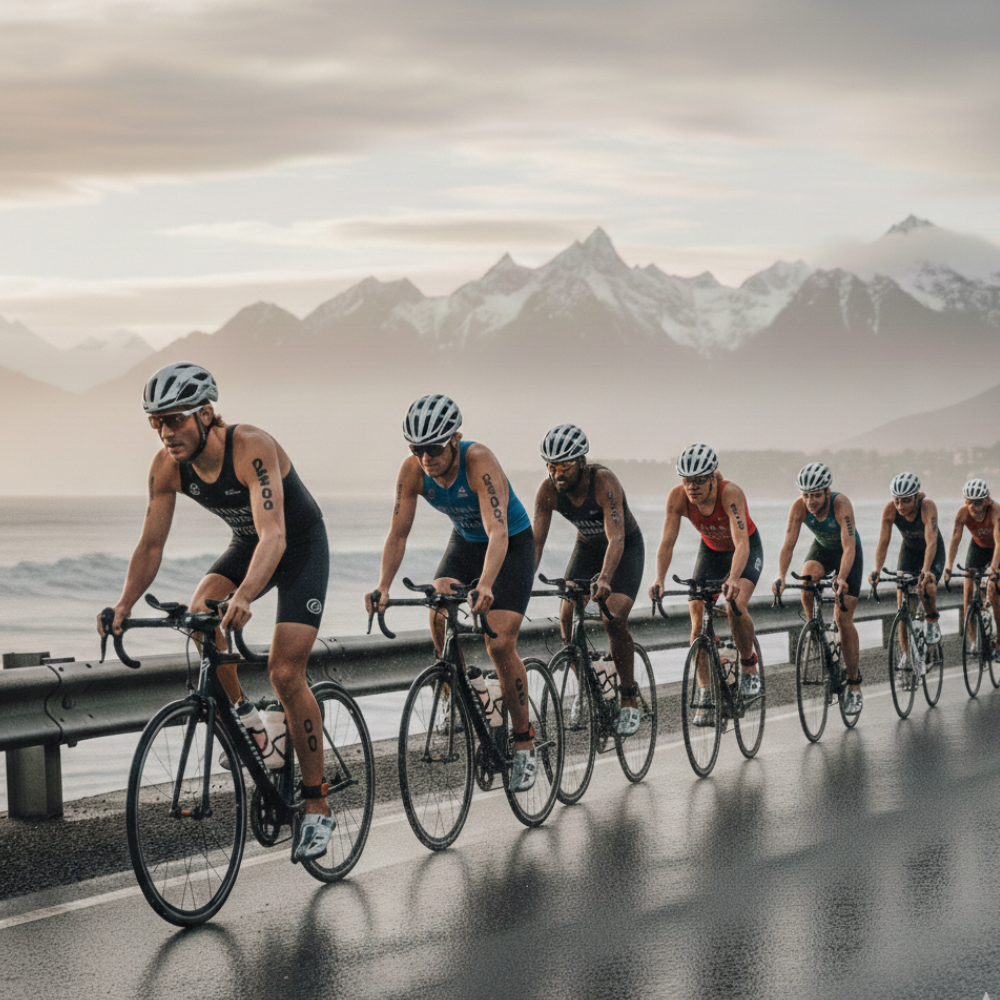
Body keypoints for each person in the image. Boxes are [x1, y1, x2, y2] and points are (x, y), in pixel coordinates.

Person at [98, 363, 333, 861]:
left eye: (177, 419)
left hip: (299, 548)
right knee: (200, 612)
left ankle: (316, 805)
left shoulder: (251, 447)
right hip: (249, 545)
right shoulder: (166, 467)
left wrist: (246, 594)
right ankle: (249, 720)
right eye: (156, 421)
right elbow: (150, 545)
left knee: (286, 672)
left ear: (206, 414)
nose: (166, 432)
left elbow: (276, 535)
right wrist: (124, 603)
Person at [365, 394, 538, 791]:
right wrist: (383, 585)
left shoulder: (479, 462)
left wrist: (487, 584)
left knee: (499, 644)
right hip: (464, 540)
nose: (425, 457)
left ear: (455, 439)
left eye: (434, 448)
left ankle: (524, 743)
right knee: (438, 602)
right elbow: (398, 533)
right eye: (416, 448)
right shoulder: (412, 471)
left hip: (509, 542)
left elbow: (497, 531)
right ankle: (457, 689)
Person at [531, 424, 645, 736]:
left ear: (582, 461)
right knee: (566, 618)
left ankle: (629, 697)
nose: (557, 473)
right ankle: (588, 689)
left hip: (624, 548)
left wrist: (606, 578)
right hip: (586, 548)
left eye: (565, 464)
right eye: (551, 466)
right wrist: (520, 581)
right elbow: (536, 544)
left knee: (613, 618)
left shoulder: (604, 482)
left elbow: (617, 537)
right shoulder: (547, 492)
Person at [649, 443, 763, 725]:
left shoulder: (730, 492)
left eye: (699, 480)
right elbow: (667, 542)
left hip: (744, 552)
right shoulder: (677, 498)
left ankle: (748, 666)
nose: (692, 487)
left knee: (735, 603)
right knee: (697, 620)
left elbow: (741, 542)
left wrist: (734, 578)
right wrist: (660, 579)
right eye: (687, 481)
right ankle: (706, 689)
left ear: (713, 478)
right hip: (711, 552)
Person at [773, 462, 864, 714]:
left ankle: (854, 684)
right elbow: (788, 546)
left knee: (843, 618)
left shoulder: (841, 504)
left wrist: (842, 577)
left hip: (848, 554)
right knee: (805, 580)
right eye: (806, 495)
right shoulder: (799, 508)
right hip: (823, 549)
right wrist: (780, 576)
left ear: (827, 491)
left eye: (815, 495)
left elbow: (849, 548)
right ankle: (816, 629)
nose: (810, 501)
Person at [869, 472, 945, 676]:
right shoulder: (890, 511)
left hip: (932, 551)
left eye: (906, 501)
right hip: (909, 551)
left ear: (916, 497)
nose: (901, 506)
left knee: (927, 585)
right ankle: (907, 654)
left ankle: (931, 620)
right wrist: (877, 569)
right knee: (902, 603)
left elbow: (931, 541)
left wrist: (926, 570)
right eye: (897, 501)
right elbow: (883, 543)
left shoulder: (927, 506)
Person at [944, 478, 1000, 653]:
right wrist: (948, 567)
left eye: (978, 503)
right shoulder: (963, 513)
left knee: (993, 589)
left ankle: (999, 638)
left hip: (997, 549)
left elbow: (999, 543)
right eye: (970, 502)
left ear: (987, 501)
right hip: (978, 547)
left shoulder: (995, 511)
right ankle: (975, 641)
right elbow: (955, 539)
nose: (974, 508)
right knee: (967, 596)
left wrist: (993, 570)